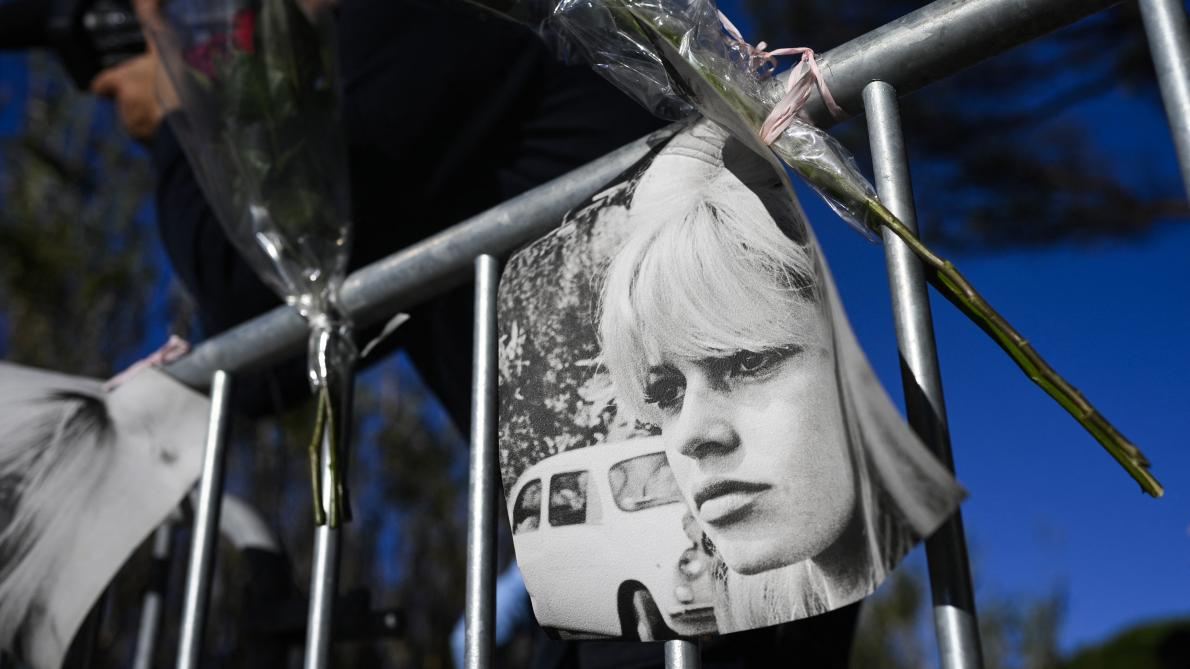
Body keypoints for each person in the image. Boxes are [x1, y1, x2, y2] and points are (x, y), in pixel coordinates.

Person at [598, 120, 965, 632]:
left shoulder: (967, 599)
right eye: (666, 392)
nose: (690, 435)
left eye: (748, 361)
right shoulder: (747, 609)